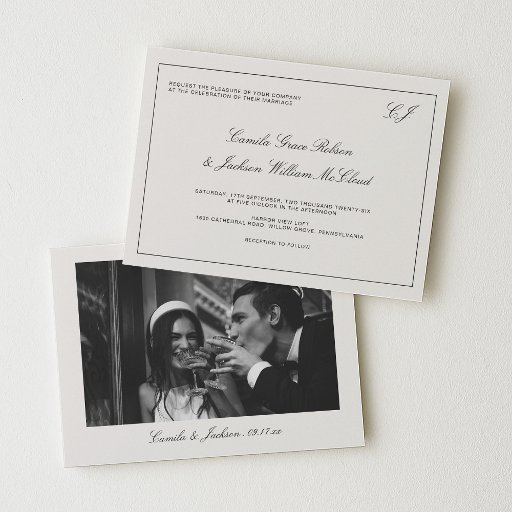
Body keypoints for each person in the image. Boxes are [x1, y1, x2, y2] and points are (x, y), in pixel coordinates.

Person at [210, 282, 340, 414]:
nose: (232, 333)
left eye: (240, 319)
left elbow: (321, 409)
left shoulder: (335, 336)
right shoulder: (271, 370)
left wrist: (254, 368)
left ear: (273, 315)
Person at [139, 301, 244, 422]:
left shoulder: (220, 376)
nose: (185, 345)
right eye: (174, 337)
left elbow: (240, 427)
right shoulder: (146, 392)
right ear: (154, 343)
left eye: (191, 337)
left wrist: (212, 387)